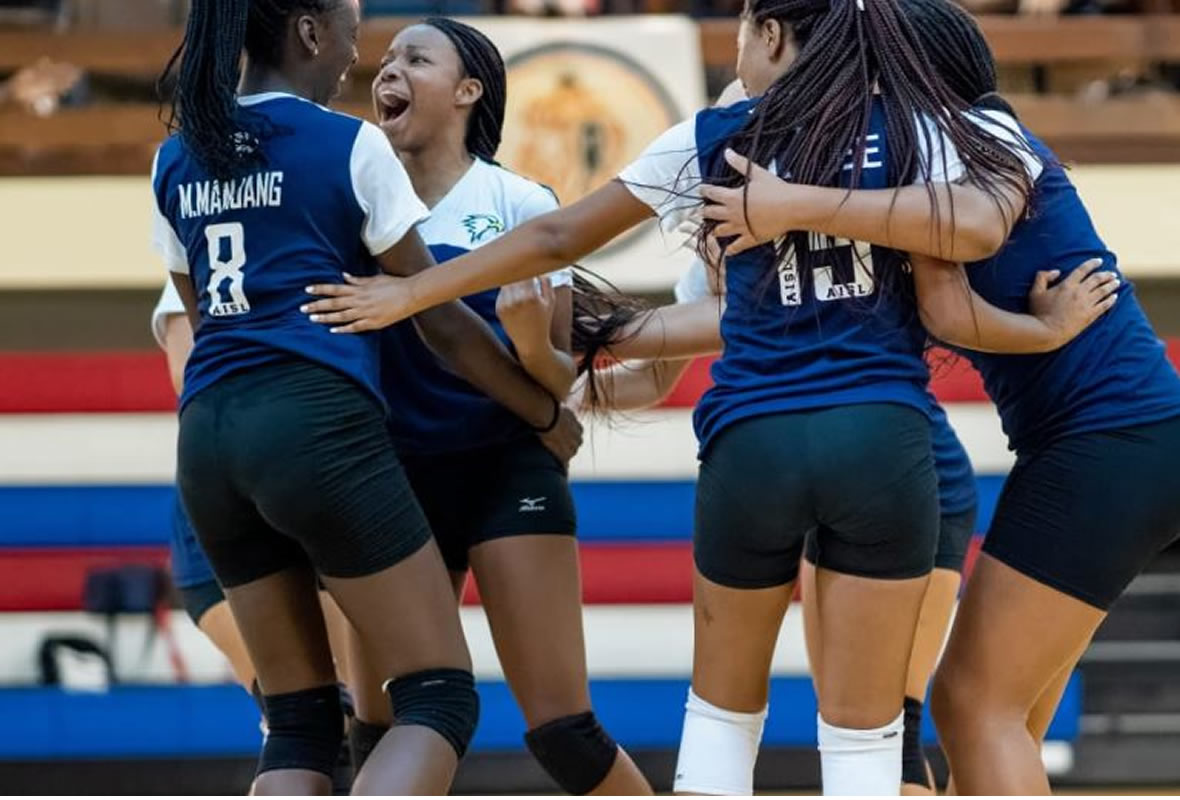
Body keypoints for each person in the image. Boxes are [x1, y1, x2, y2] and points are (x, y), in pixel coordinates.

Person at [300, 0, 1079, 791]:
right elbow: (972, 240)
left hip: (754, 441)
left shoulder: (715, 135)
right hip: (881, 438)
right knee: (868, 737)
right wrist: (1039, 326)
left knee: (720, 723)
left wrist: (416, 291)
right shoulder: (916, 130)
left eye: (741, 29)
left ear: (770, 33)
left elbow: (559, 238)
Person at [692, 0, 1180, 792]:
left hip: (1108, 442)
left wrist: (1047, 332)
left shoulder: (967, 137)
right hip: (1118, 440)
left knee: (971, 705)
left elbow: (950, 302)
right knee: (1006, 718)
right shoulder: (940, 149)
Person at [152, 0, 574, 793]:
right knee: (438, 697)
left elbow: (202, 314)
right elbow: (438, 320)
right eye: (350, 28)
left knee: (299, 721)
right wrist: (544, 414)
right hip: (312, 424)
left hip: (207, 436)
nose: (358, 52)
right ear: (309, 32)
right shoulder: (349, 143)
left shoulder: (175, 157)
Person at [344, 18, 651, 795]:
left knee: (564, 735)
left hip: (505, 469)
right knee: (373, 729)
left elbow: (557, 381)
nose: (389, 70)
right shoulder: (350, 200)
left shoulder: (518, 201)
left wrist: (528, 337)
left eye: (416, 59)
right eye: (385, 59)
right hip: (388, 480)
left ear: (467, 91)